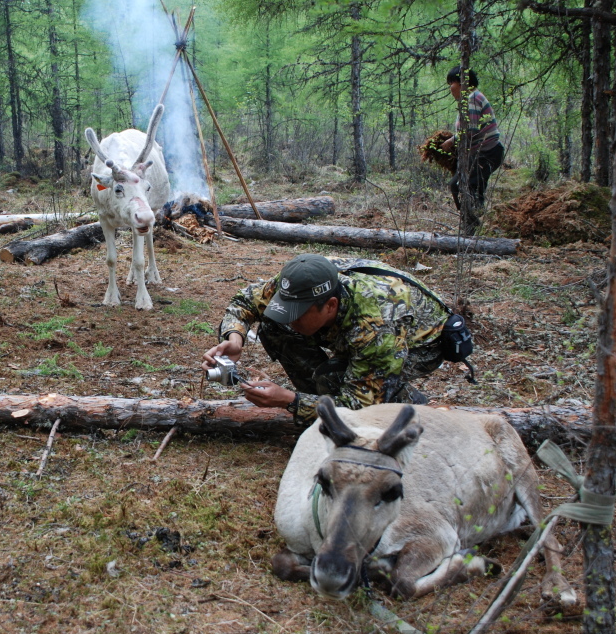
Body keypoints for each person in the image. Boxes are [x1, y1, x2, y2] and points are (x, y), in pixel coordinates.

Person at [202, 254, 450, 427]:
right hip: (358, 332)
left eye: (297, 315)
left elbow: (359, 407)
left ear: (330, 306)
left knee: (335, 377)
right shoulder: (299, 281)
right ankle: (321, 404)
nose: (290, 321)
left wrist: (291, 401)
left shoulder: (376, 326)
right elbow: (246, 301)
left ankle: (411, 404)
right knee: (273, 325)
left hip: (421, 346)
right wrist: (235, 339)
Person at [441, 66, 505, 235]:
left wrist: (451, 141)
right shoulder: (470, 98)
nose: (450, 88)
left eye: (451, 83)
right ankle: (475, 229)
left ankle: (473, 230)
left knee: (462, 186)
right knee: (470, 188)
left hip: (487, 152)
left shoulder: (471, 98)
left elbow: (470, 130)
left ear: (460, 82)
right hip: (485, 152)